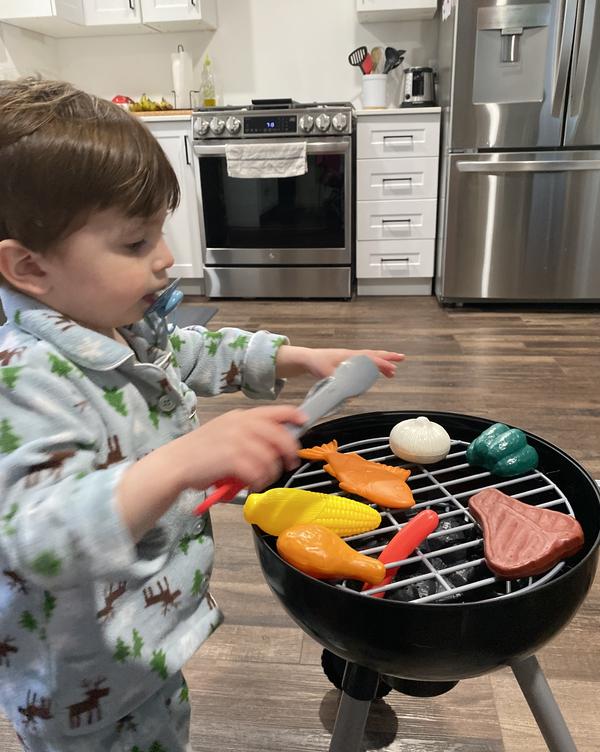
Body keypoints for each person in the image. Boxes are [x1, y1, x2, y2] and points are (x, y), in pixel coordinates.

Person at [0, 77, 403, 752]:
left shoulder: (106, 318)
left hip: (141, 638)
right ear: (29, 268)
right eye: (134, 243)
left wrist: (293, 356)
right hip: (80, 681)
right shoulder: (23, 382)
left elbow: (184, 349)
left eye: (159, 231)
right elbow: (31, 537)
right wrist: (180, 461)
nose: (163, 258)